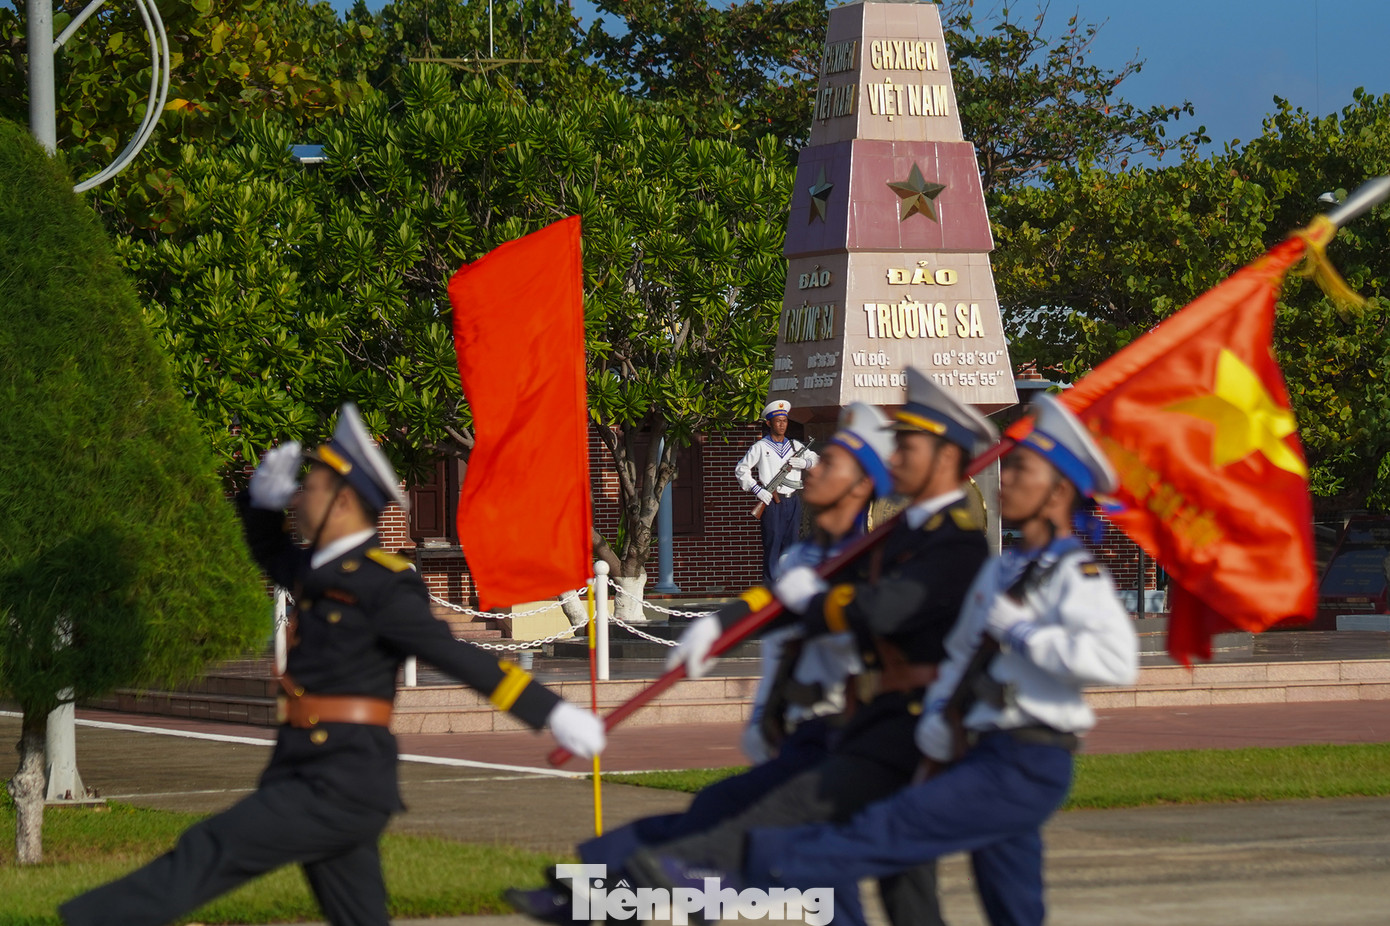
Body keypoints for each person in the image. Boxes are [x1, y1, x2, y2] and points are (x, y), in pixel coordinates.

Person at [60, 403, 606, 926]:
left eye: (311, 487)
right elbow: (270, 553)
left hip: (338, 781)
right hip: (315, 770)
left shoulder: (383, 584)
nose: (300, 496)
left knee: (210, 848)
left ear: (342, 502)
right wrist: (260, 502)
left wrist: (551, 713)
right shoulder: (321, 568)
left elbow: (455, 655)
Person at [733, 393, 1140, 926]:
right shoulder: (1002, 571)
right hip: (978, 741)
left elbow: (1117, 662)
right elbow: (962, 653)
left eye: (1022, 471)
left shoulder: (1073, 574)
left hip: (1029, 750)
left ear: (1059, 491)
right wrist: (937, 717)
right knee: (1010, 900)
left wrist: (1023, 633)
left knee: (844, 846)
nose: (1007, 482)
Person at [506, 402, 898, 923]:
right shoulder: (806, 558)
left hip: (844, 738)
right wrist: (721, 627)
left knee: (745, 839)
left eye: (832, 465)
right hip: (797, 730)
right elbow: (768, 610)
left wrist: (823, 607)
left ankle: (605, 894)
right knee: (762, 842)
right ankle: (599, 893)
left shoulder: (871, 562)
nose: (815, 470)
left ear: (860, 487)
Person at [625, 369, 997, 914]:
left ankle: (679, 875)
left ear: (944, 459)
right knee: (892, 878)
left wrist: (815, 603)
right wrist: (728, 625)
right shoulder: (905, 532)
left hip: (913, 718)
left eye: (910, 446)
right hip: (874, 714)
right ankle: (666, 878)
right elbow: (802, 609)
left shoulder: (948, 541)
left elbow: (885, 612)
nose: (898, 456)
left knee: (804, 825)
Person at [735, 400, 819, 582]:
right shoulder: (760, 447)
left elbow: (817, 460)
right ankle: (771, 586)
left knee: (792, 546)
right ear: (769, 423)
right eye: (778, 421)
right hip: (772, 501)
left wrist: (805, 463)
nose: (782, 425)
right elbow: (741, 469)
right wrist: (757, 489)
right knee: (772, 545)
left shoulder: (795, 446)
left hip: (793, 500)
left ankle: (789, 585)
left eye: (785, 421)